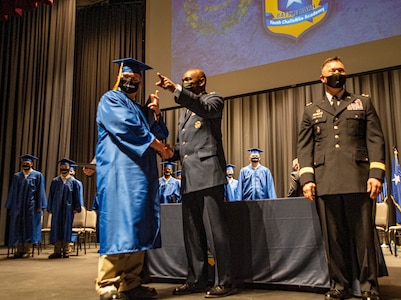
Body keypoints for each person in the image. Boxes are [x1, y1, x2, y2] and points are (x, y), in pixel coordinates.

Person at [297, 56, 385, 300]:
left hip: (359, 179)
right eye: (333, 70)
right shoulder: (311, 109)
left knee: (364, 238)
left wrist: (376, 173)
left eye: (342, 69)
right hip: (325, 181)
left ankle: (369, 287)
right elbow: (305, 148)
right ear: (323, 78)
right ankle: (339, 285)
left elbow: (375, 139)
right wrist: (307, 179)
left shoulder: (362, 103)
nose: (339, 73)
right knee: (332, 239)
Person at [95, 58, 173, 300]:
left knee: (139, 222)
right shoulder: (110, 99)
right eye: (128, 78)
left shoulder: (141, 109)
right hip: (119, 170)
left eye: (137, 79)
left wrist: (157, 114)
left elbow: (159, 133)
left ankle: (130, 281)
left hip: (141, 173)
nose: (132, 82)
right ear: (120, 78)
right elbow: (130, 128)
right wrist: (161, 147)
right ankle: (107, 281)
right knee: (119, 221)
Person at [156, 68, 237, 298]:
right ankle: (197, 280)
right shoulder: (184, 114)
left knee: (215, 232)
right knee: (192, 233)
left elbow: (205, 109)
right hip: (189, 178)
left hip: (209, 174)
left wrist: (176, 90)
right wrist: (168, 152)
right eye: (183, 80)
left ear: (202, 81)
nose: (185, 82)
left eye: (188, 80)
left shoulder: (214, 99)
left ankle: (226, 281)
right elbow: (184, 149)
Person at [5, 154, 47, 258]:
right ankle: (19, 249)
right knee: (18, 226)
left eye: (27, 163)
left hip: (31, 206)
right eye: (24, 163)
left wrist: (39, 205)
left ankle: (27, 249)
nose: (25, 165)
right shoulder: (17, 176)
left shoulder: (37, 175)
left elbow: (40, 191)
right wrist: (11, 205)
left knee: (29, 227)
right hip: (19, 206)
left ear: (32, 164)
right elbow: (13, 192)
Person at [47, 158, 83, 259]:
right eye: (62, 167)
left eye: (65, 167)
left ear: (69, 168)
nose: (63, 169)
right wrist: (50, 207)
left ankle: (66, 250)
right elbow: (51, 195)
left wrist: (76, 207)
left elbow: (76, 196)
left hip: (68, 209)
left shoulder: (74, 182)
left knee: (66, 228)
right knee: (56, 228)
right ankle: (57, 251)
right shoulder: (55, 181)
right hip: (57, 208)